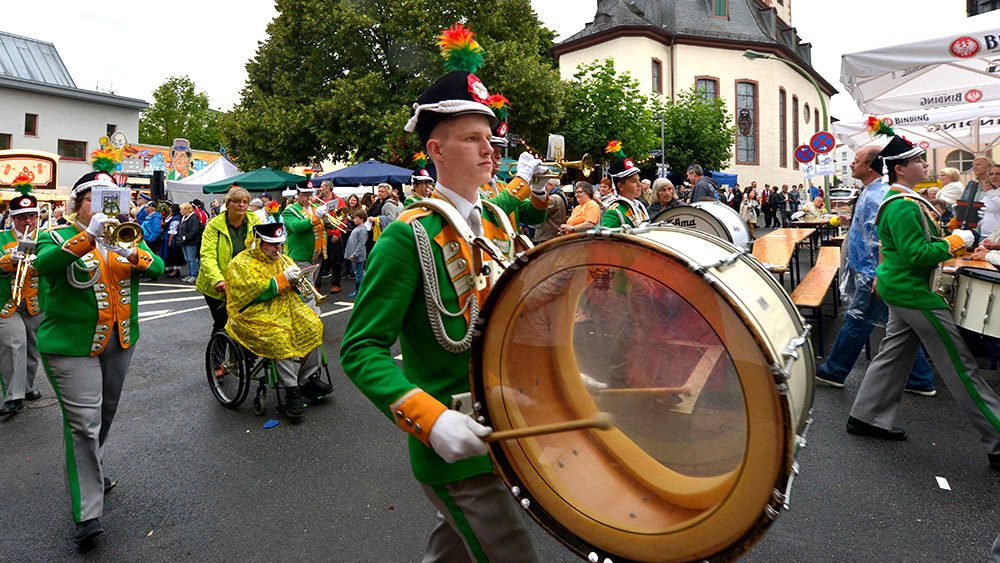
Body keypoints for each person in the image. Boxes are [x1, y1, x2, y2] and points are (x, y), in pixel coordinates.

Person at [340, 23, 544, 562]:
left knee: (452, 554)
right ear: (436, 149)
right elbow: (360, 350)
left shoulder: (498, 223)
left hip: (509, 431)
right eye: (472, 138)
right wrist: (430, 420)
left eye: (491, 138)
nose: (490, 150)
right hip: (454, 449)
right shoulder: (408, 236)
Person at [844, 135, 1000, 476]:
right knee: (961, 368)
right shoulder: (902, 204)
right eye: (919, 161)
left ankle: (866, 416)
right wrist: (956, 241)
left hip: (900, 288)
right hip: (914, 292)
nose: (926, 165)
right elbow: (917, 255)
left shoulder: (904, 200)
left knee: (893, 353)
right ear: (901, 169)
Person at [35, 169, 164, 545]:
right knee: (83, 426)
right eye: (96, 197)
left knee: (104, 416)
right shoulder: (56, 235)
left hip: (120, 341)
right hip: (70, 346)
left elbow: (156, 267)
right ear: (77, 204)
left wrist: (132, 250)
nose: (107, 204)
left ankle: (92, 465)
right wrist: (87, 238)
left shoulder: (127, 235)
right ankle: (87, 514)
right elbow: (45, 267)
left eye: (113, 197)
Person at [815, 146, 936, 394]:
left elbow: (882, 237)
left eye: (855, 161)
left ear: (871, 166)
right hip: (872, 272)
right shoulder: (870, 191)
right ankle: (921, 379)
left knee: (857, 321)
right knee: (897, 329)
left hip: (874, 274)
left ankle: (835, 371)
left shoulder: (877, 193)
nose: (851, 165)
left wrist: (879, 272)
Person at [224, 223, 332, 420]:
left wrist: (301, 281)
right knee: (278, 336)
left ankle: (308, 379)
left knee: (313, 325)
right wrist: (281, 280)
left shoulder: (283, 259)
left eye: (280, 244)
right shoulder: (240, 263)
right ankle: (291, 390)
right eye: (272, 244)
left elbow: (297, 290)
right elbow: (250, 293)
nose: (278, 249)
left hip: (285, 307)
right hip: (254, 313)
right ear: (258, 243)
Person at [0, 186, 46, 418]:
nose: (27, 221)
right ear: (12, 218)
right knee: (13, 344)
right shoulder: (2, 239)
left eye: (31, 216)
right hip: (7, 304)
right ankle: (13, 397)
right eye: (21, 217)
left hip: (36, 302)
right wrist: (10, 258)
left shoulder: (47, 238)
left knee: (32, 347)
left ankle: (26, 388)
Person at [195, 186, 261, 335]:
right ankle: (216, 357)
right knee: (223, 324)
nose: (241, 205)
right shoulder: (214, 225)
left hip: (244, 282)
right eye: (237, 201)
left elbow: (261, 250)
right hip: (218, 282)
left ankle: (244, 357)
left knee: (247, 322)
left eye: (245, 202)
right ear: (228, 203)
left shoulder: (255, 222)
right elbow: (207, 255)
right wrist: (218, 280)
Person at [282, 180, 330, 309]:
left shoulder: (315, 207)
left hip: (316, 255)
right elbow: (297, 227)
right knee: (307, 291)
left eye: (310, 194)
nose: (308, 198)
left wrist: (329, 218)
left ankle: (311, 317)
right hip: (301, 256)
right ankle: (312, 320)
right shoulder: (290, 210)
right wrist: (316, 217)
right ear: (297, 195)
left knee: (311, 288)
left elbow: (324, 227)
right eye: (305, 195)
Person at [601, 142, 650, 228]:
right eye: (634, 181)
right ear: (621, 186)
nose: (639, 185)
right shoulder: (613, 212)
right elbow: (607, 241)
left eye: (639, 180)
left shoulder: (640, 206)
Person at [532, 179, 567, 243]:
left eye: (546, 186)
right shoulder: (561, 194)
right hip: (554, 233)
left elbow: (539, 213)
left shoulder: (553, 198)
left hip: (547, 235)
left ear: (551, 185)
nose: (545, 188)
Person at [343, 210, 368, 298]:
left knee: (359, 273)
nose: (354, 220)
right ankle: (358, 290)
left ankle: (359, 291)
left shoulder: (362, 230)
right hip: (354, 256)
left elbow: (361, 244)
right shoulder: (358, 228)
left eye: (356, 218)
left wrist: (355, 254)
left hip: (357, 256)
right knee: (358, 272)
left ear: (361, 219)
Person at [178, 202, 203, 282]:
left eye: (181, 209)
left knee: (192, 258)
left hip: (191, 241)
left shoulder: (193, 217)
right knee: (187, 258)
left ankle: (194, 274)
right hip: (184, 241)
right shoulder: (184, 218)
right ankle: (190, 273)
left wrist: (186, 237)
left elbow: (194, 230)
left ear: (186, 209)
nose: (180, 211)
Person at [161, 203, 185, 278]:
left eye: (170, 208)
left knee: (172, 253)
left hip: (172, 237)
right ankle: (169, 268)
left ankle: (175, 270)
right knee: (167, 253)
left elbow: (173, 230)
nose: (169, 209)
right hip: (167, 236)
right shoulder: (173, 217)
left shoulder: (176, 219)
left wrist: (170, 240)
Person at [978, 164, 1000, 237]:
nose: (994, 176)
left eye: (998, 174)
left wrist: (991, 193)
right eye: (991, 174)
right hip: (985, 233)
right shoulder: (988, 193)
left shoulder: (990, 192)